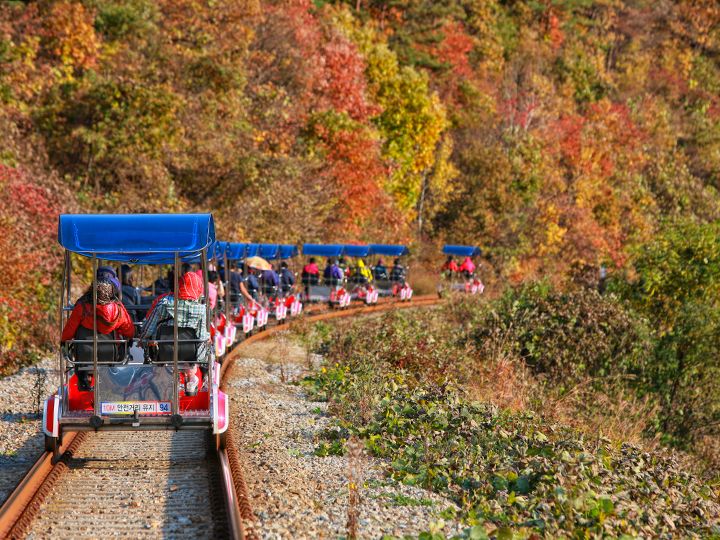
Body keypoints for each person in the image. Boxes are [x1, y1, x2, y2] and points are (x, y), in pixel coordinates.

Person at [140, 272, 210, 396]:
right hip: (189, 353)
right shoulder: (201, 309)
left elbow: (148, 328)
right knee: (201, 345)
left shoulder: (164, 303)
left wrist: (143, 339)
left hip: (163, 352)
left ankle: (161, 380)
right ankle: (192, 376)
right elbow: (202, 336)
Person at [61, 279, 135, 390]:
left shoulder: (82, 307)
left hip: (85, 354)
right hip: (110, 354)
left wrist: (63, 342)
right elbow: (128, 329)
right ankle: (109, 384)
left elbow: (70, 328)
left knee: (80, 339)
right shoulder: (118, 309)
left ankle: (84, 381)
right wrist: (129, 339)